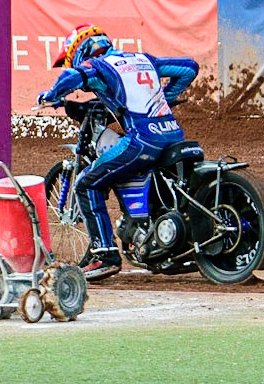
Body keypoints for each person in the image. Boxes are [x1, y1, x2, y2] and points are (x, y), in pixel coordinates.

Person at [36, 24, 199, 280]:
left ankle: (106, 255)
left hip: (142, 142)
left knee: (86, 183)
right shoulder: (142, 60)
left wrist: (53, 94)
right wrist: (162, 100)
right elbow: (189, 68)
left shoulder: (100, 66)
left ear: (82, 52)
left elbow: (74, 77)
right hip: (173, 136)